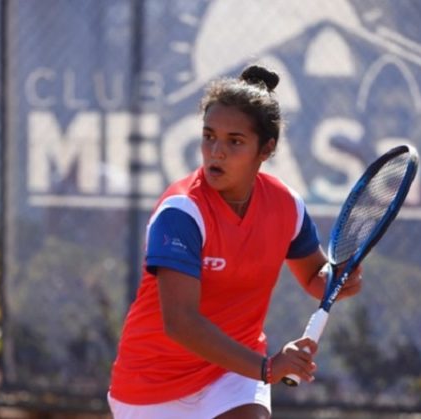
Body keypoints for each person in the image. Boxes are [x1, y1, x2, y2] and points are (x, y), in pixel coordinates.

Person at [108, 64, 362, 419]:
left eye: (235, 141)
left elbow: (314, 277)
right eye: (209, 136)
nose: (217, 151)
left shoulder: (285, 205)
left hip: (231, 375)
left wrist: (338, 280)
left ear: (266, 149)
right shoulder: (181, 212)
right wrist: (267, 368)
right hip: (150, 386)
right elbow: (180, 322)